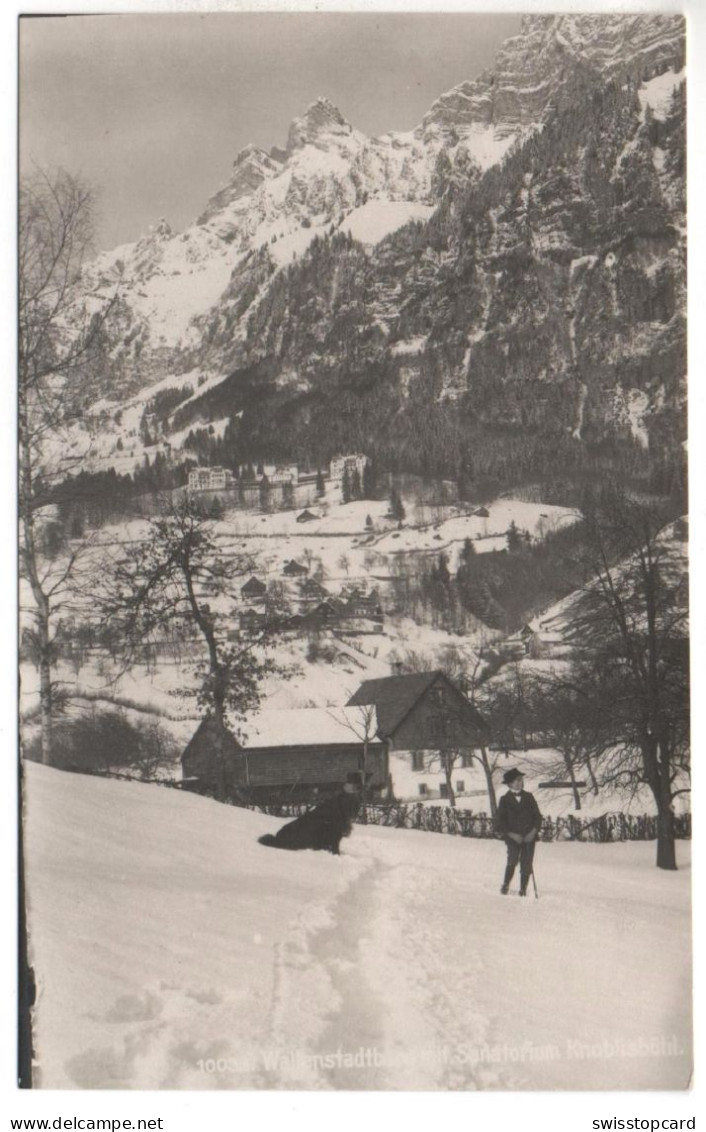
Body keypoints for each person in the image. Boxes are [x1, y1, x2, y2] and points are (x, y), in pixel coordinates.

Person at [495, 768, 542, 896]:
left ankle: (523, 889)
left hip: (529, 838)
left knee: (527, 863)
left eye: (521, 780)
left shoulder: (529, 797)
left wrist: (533, 832)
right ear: (510, 783)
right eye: (517, 780)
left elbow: (538, 817)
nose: (520, 782)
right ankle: (505, 885)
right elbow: (500, 822)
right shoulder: (504, 800)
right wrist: (512, 834)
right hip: (512, 838)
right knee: (512, 860)